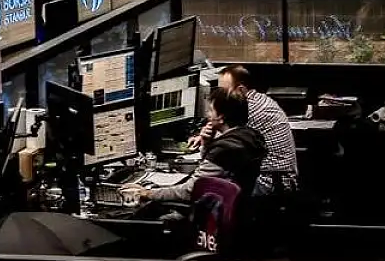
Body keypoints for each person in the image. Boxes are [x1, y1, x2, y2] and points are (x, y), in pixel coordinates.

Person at [125, 87, 264, 202]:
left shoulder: (224, 149)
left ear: (221, 117)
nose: (207, 114)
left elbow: (190, 191)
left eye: (211, 110)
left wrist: (147, 193)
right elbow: (210, 169)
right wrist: (207, 143)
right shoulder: (250, 136)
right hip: (236, 208)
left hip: (210, 212)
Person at [190, 65, 298, 196]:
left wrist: (206, 141)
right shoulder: (257, 99)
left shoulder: (250, 110)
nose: (220, 96)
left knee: (208, 190)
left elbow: (218, 155)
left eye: (224, 91)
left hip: (271, 181)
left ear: (240, 89)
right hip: (274, 177)